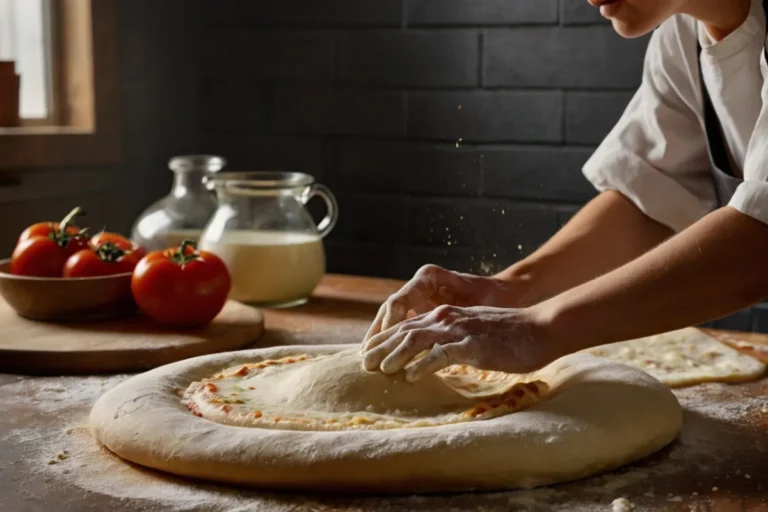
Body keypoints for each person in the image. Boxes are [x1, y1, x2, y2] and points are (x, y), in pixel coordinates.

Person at [361, 0, 768, 382]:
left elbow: (759, 241)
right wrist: (512, 290)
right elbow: (651, 197)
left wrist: (540, 327)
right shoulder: (681, 38)